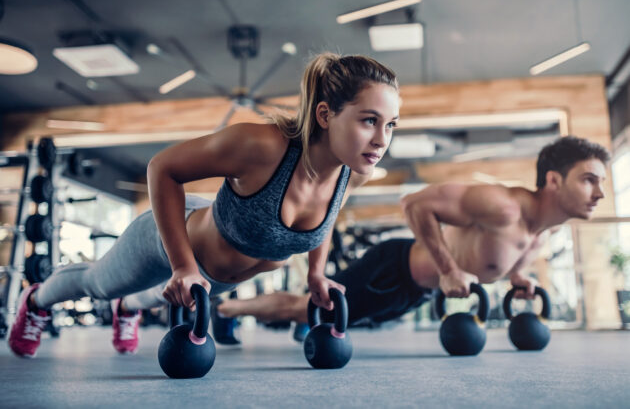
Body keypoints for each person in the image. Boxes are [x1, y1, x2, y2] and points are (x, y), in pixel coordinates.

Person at [8, 52, 401, 357]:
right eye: (370, 120)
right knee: (98, 285)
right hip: (171, 239)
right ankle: (37, 300)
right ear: (325, 115)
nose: (382, 139)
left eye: (391, 125)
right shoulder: (261, 147)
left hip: (208, 279)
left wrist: (316, 273)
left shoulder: (353, 172)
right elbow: (162, 168)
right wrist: (182, 265)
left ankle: (128, 309)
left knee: (158, 293)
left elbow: (325, 220)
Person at [213, 136, 610, 339]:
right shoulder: (502, 205)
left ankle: (250, 313)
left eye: (603, 182)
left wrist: (519, 276)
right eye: (589, 180)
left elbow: (503, 254)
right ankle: (225, 311)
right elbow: (414, 203)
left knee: (330, 319)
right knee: (305, 309)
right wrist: (449, 268)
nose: (600, 193)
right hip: (393, 269)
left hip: (412, 292)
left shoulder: (547, 229)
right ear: (554, 181)